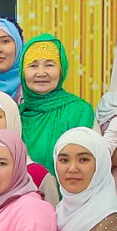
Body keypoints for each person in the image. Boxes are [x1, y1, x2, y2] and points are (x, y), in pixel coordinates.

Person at [15, 33, 92, 179]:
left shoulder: (79, 111)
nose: (41, 73)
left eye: (49, 65)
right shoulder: (16, 116)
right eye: (33, 66)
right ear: (23, 72)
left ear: (62, 69)